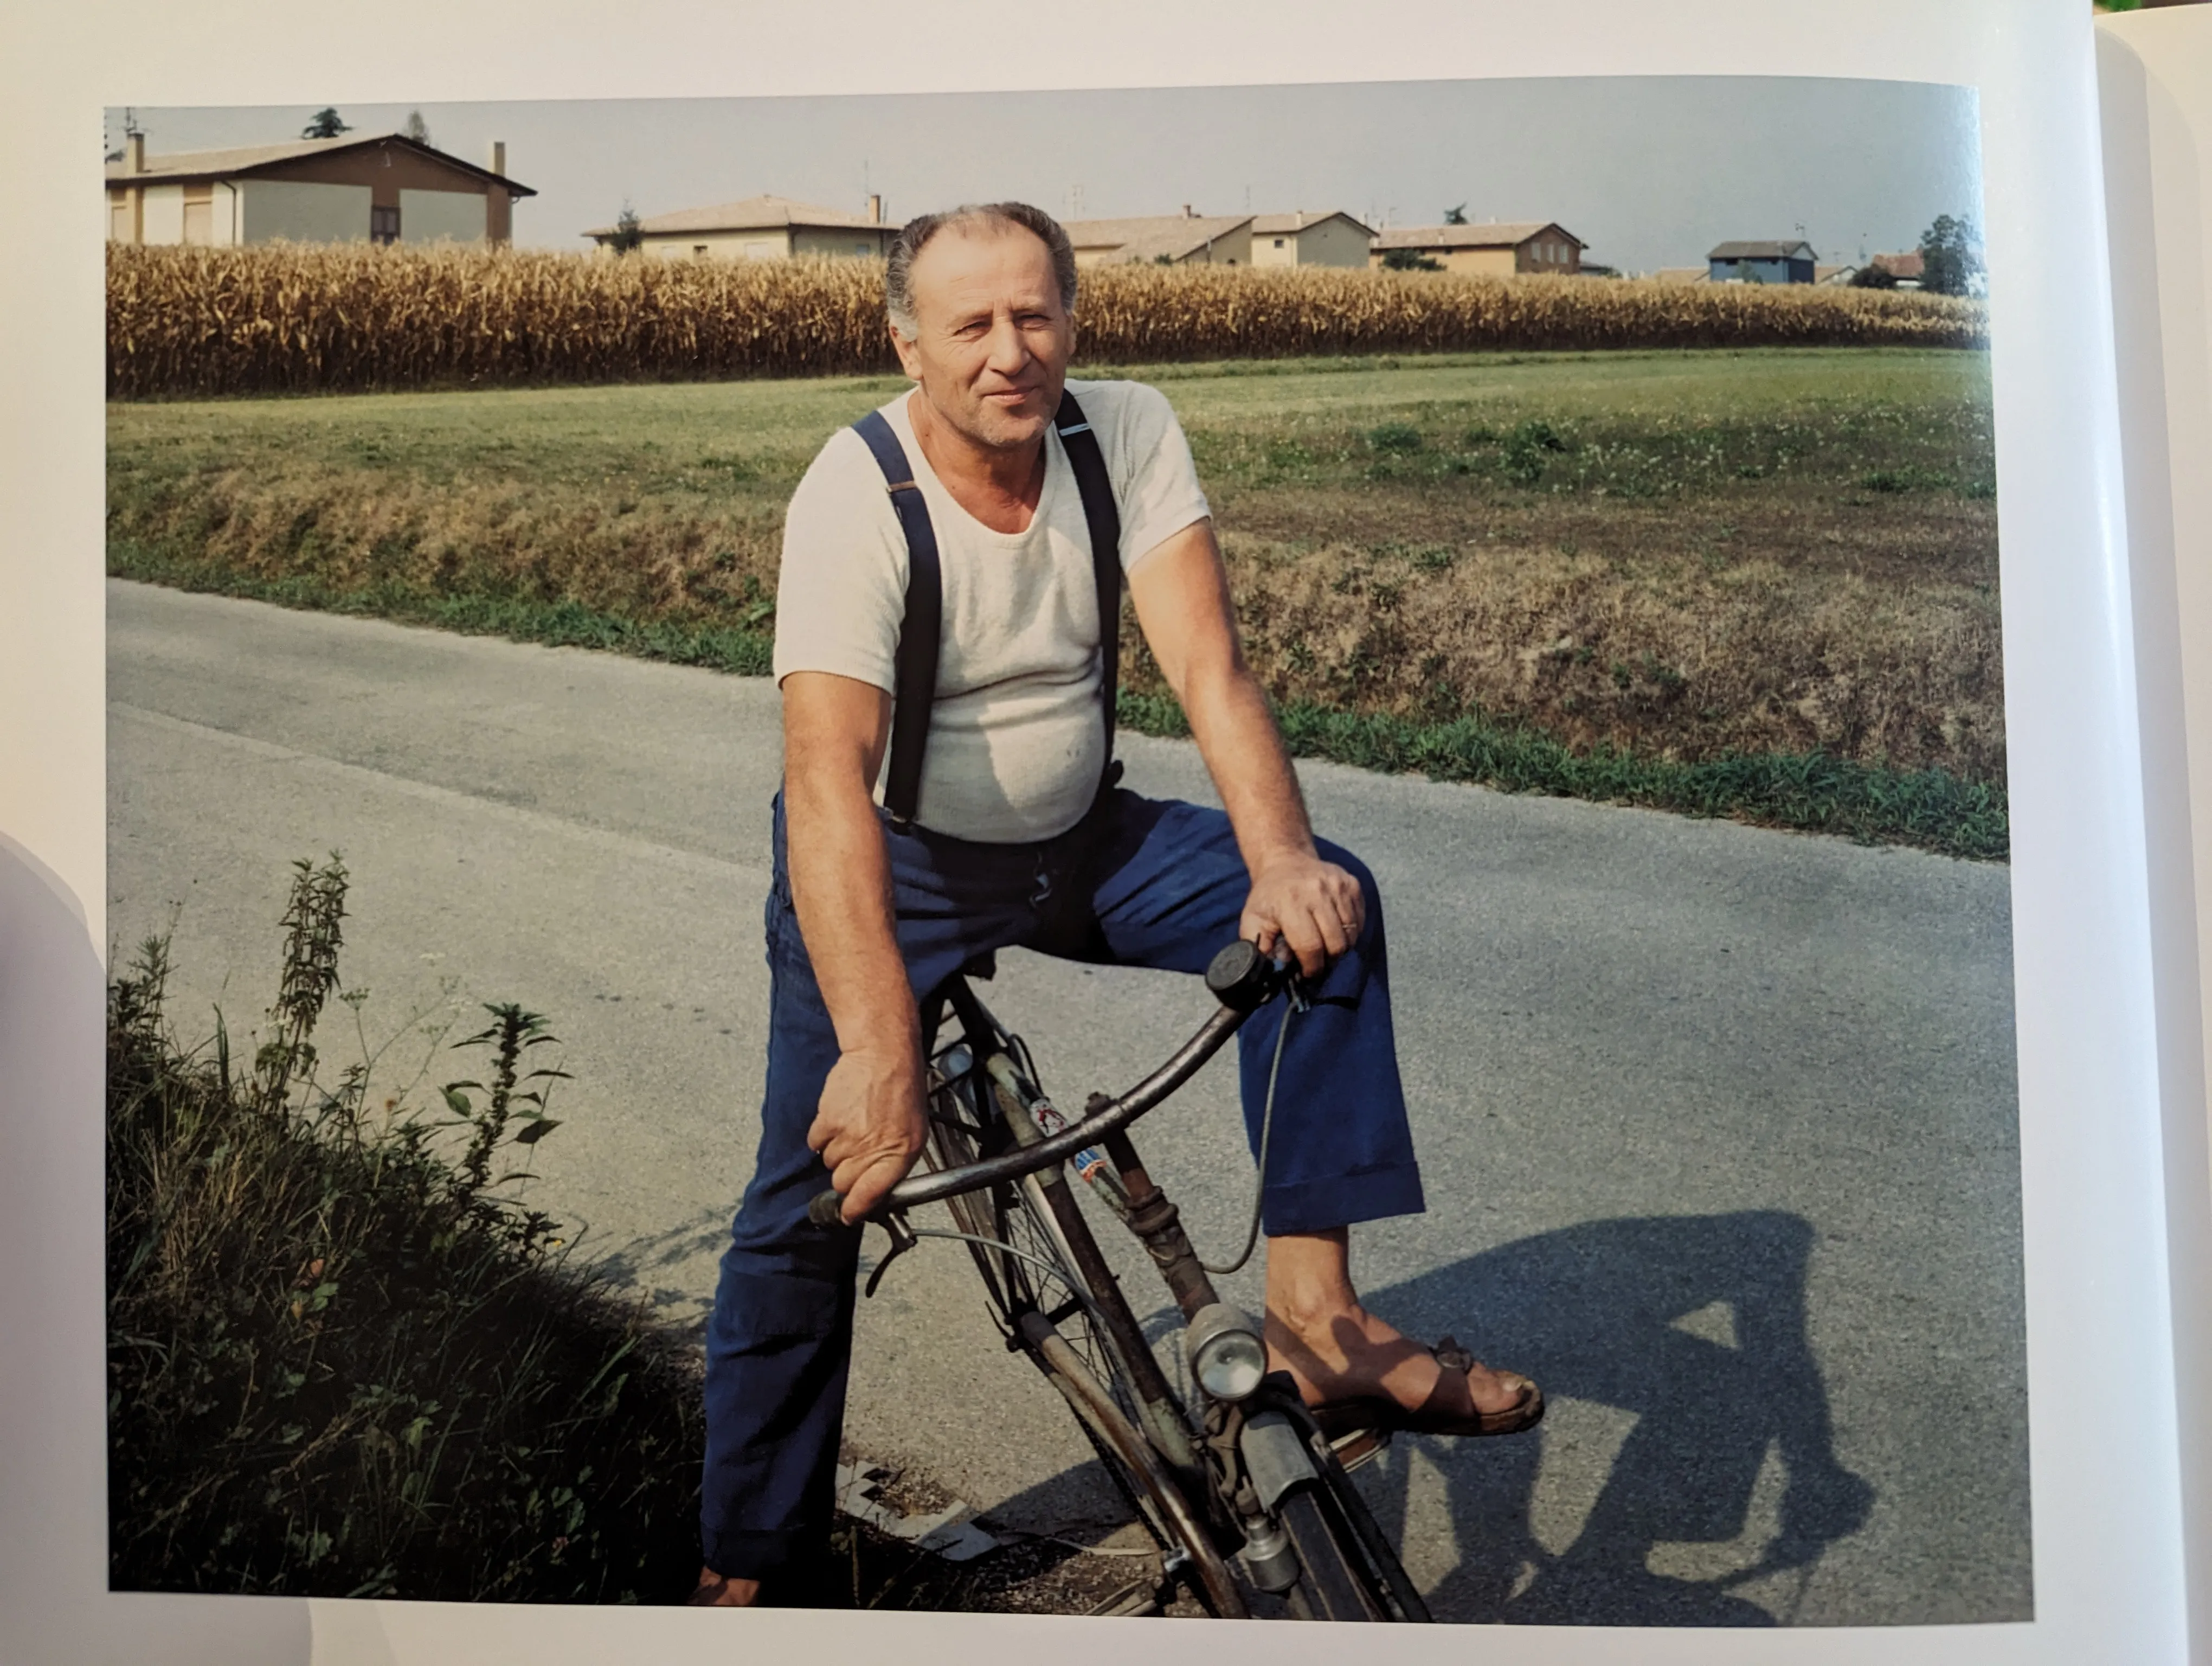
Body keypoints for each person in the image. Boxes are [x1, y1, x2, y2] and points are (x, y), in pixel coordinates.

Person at [690, 201, 1541, 1607]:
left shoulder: (1127, 432)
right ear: (905, 340)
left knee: (1330, 912)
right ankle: (750, 1562)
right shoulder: (855, 493)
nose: (1008, 353)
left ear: (1075, 320)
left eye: (1036, 317)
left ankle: (1316, 1319)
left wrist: (1280, 862)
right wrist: (881, 1043)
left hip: (1081, 841)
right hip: (891, 865)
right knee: (812, 1190)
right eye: (969, 325)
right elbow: (827, 784)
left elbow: (1212, 673)